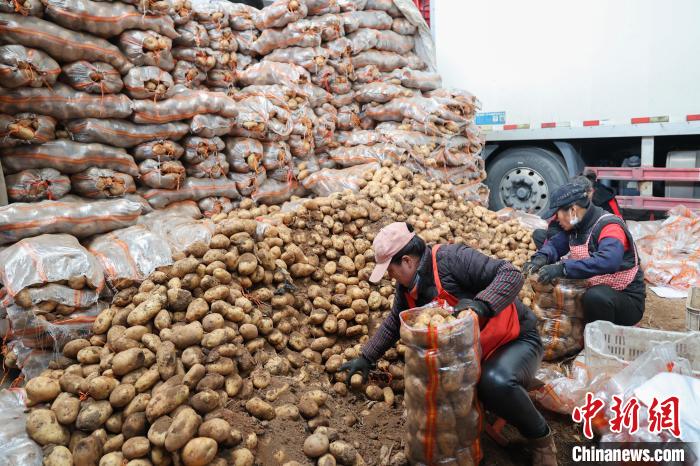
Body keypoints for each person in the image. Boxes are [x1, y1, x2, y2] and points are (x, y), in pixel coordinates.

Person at [339, 222, 557, 466]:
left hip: (514, 339)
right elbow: (394, 323)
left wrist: (481, 304)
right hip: (473, 353)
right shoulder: (407, 287)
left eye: (390, 270)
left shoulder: (451, 259)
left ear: (408, 261)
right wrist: (366, 357)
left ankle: (541, 438)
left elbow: (511, 274)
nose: (390, 277)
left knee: (493, 382)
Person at [524, 182, 645, 326]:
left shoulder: (609, 226)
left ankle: (601, 340)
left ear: (573, 210)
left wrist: (563, 268)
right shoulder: (576, 227)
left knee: (595, 297)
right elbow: (555, 246)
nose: (556, 219)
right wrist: (541, 258)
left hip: (625, 298)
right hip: (594, 289)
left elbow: (609, 260)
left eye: (558, 214)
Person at [532, 173, 623, 249]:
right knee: (541, 235)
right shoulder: (568, 201)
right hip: (573, 238)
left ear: (591, 191)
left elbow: (619, 224)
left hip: (596, 241)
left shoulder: (606, 199)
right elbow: (554, 225)